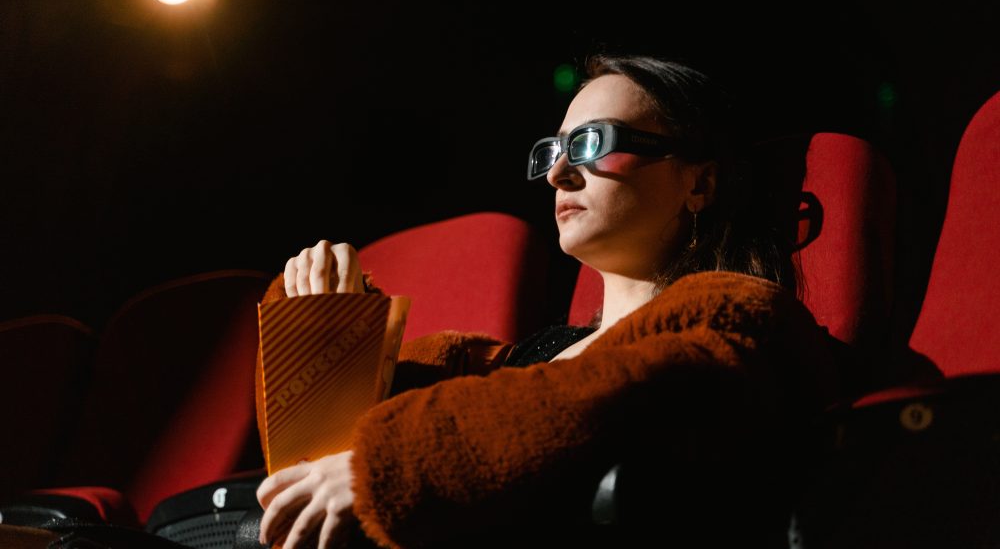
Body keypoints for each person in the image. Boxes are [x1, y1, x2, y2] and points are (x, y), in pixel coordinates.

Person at [251, 54, 932, 549]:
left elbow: (622, 391)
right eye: (554, 148)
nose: (557, 170)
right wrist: (322, 321)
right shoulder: (500, 366)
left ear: (698, 184)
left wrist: (388, 467)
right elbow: (317, 449)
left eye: (592, 143)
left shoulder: (739, 315)